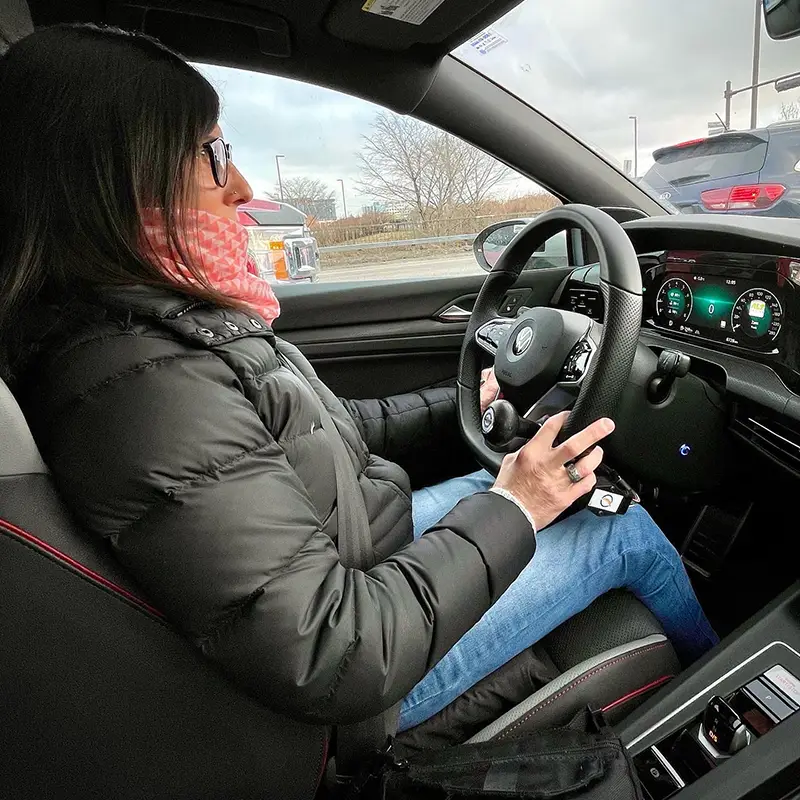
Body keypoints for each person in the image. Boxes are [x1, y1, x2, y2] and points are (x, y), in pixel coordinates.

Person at [0, 24, 717, 738]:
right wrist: (518, 506)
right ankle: (739, 717)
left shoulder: (155, 330)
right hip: (360, 689)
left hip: (356, 561)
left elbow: (321, 433)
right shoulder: (142, 385)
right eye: (214, 155)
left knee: (528, 493)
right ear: (113, 175)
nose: (243, 188)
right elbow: (332, 652)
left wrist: (471, 403)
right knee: (619, 529)